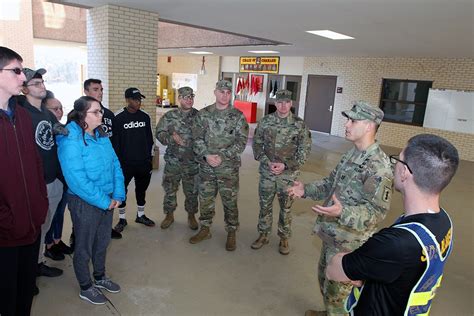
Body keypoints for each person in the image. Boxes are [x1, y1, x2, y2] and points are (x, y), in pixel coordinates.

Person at [326, 134, 459, 316]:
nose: (394, 165)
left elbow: (334, 270)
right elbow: (406, 273)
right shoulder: (444, 221)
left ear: (405, 172)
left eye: (398, 159)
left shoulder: (395, 243)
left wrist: (351, 259)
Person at [288, 101, 393, 316]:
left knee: (340, 298)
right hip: (333, 236)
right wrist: (304, 190)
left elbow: (376, 212)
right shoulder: (351, 155)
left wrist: (342, 212)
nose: (346, 124)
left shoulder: (379, 166)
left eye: (352, 120)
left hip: (350, 244)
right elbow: (330, 184)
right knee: (325, 282)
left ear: (369, 126)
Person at [56, 96, 125, 305]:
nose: (101, 115)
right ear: (82, 115)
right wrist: (105, 201)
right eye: (96, 112)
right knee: (84, 246)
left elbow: (115, 164)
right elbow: (77, 180)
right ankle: (86, 286)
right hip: (84, 202)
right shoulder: (70, 140)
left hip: (108, 200)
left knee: (102, 241)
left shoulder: (102, 135)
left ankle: (100, 276)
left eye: (101, 111)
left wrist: (118, 195)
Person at [0, 46, 48, 316]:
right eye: (16, 70)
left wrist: (40, 204)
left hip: (31, 223)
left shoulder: (21, 114)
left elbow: (35, 162)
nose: (22, 77)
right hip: (5, 230)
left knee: (25, 292)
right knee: (6, 297)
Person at [190, 80, 249, 251]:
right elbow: (197, 138)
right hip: (206, 167)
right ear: (215, 92)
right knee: (206, 199)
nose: (225, 95)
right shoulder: (203, 114)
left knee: (230, 201)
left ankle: (231, 231)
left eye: (228, 92)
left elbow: (241, 142)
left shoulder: (237, 116)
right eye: (222, 91)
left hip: (228, 168)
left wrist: (222, 156)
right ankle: (205, 228)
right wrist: (207, 155)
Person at [251, 89, 311, 255]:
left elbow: (304, 152)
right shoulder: (266, 122)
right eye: (279, 102)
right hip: (267, 173)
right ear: (275, 103)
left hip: (288, 175)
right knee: (265, 205)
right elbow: (256, 145)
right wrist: (267, 161)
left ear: (291, 103)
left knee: (286, 208)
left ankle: (284, 237)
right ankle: (263, 234)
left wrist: (285, 165)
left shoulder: (299, 125)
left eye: (286, 102)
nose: (283, 105)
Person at [19, 68, 64, 278]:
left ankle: (38, 263)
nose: (42, 85)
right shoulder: (20, 112)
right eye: (35, 83)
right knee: (31, 229)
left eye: (42, 82)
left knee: (44, 227)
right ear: (24, 89)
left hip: (52, 180)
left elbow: (63, 132)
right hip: (32, 184)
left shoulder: (46, 113)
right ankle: (27, 270)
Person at [156, 86, 199, 230]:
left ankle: (191, 215)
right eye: (186, 97)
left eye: (191, 96)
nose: (189, 99)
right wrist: (171, 139)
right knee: (170, 189)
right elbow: (159, 133)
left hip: (192, 162)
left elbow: (207, 137)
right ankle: (169, 215)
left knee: (192, 191)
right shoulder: (170, 116)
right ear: (179, 99)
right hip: (173, 161)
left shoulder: (200, 117)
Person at [112, 87, 155, 233]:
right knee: (121, 191)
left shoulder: (145, 116)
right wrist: (117, 163)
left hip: (143, 163)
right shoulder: (117, 117)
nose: (138, 102)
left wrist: (150, 159)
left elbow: (150, 139)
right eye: (135, 99)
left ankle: (141, 215)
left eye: (140, 99)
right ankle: (122, 219)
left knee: (141, 190)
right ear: (127, 100)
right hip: (125, 164)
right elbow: (114, 143)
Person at [83, 78, 122, 239]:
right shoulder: (78, 115)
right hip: (90, 168)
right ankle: (77, 235)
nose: (99, 92)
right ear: (86, 92)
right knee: (87, 209)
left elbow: (116, 139)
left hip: (108, 165)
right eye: (95, 89)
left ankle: (107, 228)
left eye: (101, 89)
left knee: (109, 199)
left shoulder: (110, 114)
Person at [42, 92, 73, 260]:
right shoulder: (43, 132)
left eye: (61, 108)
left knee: (60, 212)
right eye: (55, 109)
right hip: (50, 180)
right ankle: (48, 245)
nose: (60, 112)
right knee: (50, 214)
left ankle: (57, 240)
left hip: (63, 178)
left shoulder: (62, 129)